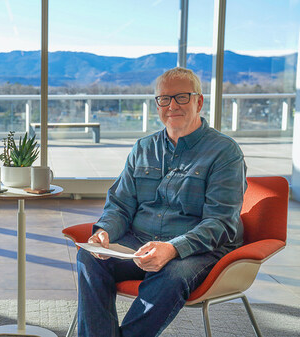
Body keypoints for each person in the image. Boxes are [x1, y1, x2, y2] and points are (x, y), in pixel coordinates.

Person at [76, 67, 247, 337]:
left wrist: (172, 248)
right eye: (164, 99)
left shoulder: (225, 152)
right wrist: (105, 232)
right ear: (157, 104)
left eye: (181, 97)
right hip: (140, 240)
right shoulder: (143, 148)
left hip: (196, 249)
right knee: (90, 257)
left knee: (171, 275)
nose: (172, 106)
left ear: (199, 102)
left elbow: (221, 222)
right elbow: (120, 205)